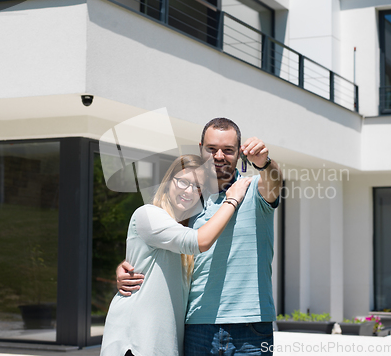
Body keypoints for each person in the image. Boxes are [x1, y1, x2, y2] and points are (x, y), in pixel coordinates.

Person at [117, 118, 282, 355]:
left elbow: (275, 182)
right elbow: (160, 244)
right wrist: (128, 267)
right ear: (200, 148)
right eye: (211, 149)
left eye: (228, 150)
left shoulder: (254, 188)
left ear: (239, 154)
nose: (219, 156)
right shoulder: (188, 201)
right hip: (197, 325)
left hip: (251, 326)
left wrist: (265, 163)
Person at [100, 154, 252, 356]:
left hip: (163, 344)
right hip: (136, 343)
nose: (189, 191)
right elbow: (200, 242)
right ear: (168, 181)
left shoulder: (183, 229)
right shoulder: (148, 214)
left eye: (197, 186)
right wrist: (232, 200)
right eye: (183, 181)